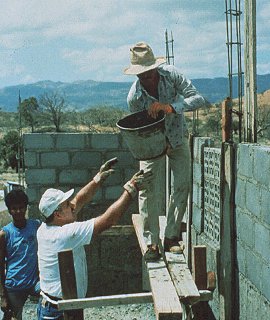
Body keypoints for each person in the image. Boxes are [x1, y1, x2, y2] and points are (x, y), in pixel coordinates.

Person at [36, 157, 151, 320]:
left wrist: (97, 179)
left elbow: (79, 200)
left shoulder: (45, 228)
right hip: (60, 311)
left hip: (62, 306)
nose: (72, 205)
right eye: (67, 204)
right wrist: (130, 189)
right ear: (58, 214)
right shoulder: (64, 235)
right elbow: (107, 220)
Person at [124, 41, 206, 261]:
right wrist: (159, 143)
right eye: (141, 75)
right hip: (152, 145)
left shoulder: (171, 75)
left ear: (155, 68)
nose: (146, 78)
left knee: (182, 185)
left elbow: (197, 99)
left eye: (149, 73)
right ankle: (152, 243)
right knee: (148, 189)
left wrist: (170, 108)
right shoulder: (135, 97)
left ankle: (171, 237)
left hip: (177, 137)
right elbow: (140, 128)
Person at [0, 189, 41, 320]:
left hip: (34, 283)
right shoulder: (5, 234)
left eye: (21, 207)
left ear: (26, 207)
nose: (18, 211)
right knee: (13, 317)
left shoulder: (36, 226)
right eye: (14, 208)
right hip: (14, 285)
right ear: (9, 210)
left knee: (53, 296)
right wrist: (3, 296)